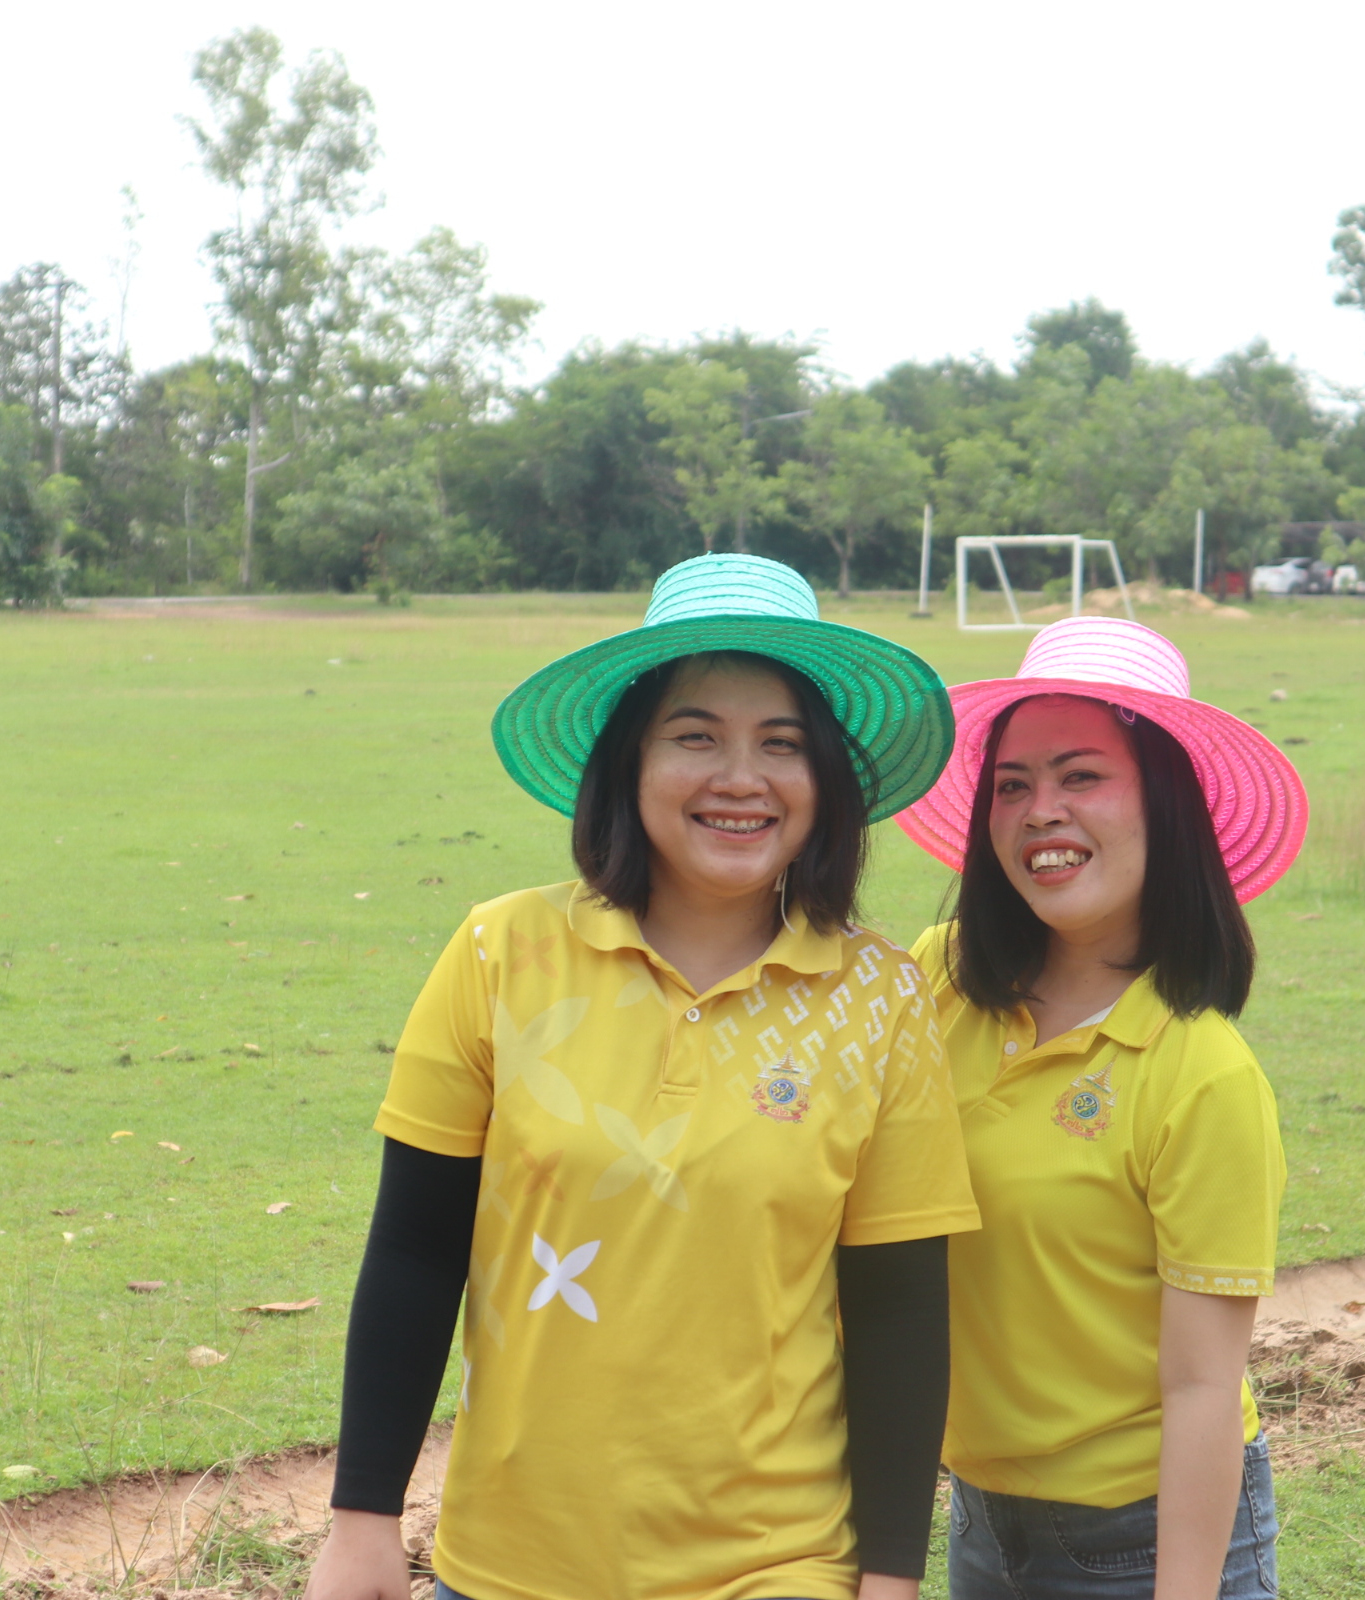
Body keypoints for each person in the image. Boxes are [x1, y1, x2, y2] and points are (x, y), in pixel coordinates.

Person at [305, 553, 978, 1600]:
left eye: (783, 743)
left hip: (774, 1564)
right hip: (511, 1564)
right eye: (695, 735)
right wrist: (361, 1521)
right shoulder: (501, 953)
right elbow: (416, 1249)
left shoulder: (881, 997)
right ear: (628, 760)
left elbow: (898, 1310)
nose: (742, 777)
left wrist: (890, 1577)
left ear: (825, 782)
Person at [892, 616, 1307, 1600]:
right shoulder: (936, 980)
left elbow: (1202, 1388)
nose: (1041, 811)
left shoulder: (1201, 1075)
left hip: (1150, 1533)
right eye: (1012, 785)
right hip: (980, 1517)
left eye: (1081, 776)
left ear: (1166, 804)